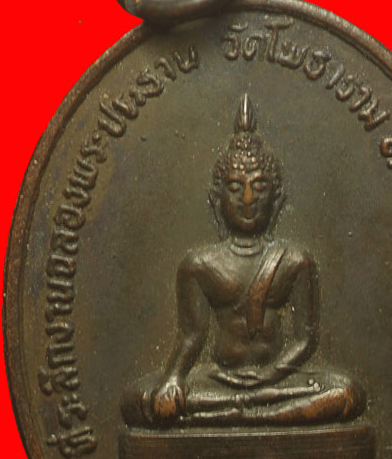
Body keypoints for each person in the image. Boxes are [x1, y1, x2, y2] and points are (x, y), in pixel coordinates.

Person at [122, 95, 365, 428]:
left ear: (276, 200)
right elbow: (191, 336)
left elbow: (305, 339)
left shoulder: (295, 261)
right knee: (139, 399)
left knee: (347, 392)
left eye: (259, 187)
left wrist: (270, 375)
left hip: (278, 380)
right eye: (236, 187)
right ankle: (255, 412)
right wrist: (174, 379)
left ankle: (243, 413)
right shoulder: (199, 264)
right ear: (216, 200)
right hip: (220, 380)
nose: (248, 199)